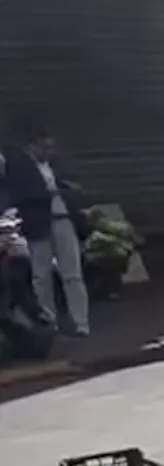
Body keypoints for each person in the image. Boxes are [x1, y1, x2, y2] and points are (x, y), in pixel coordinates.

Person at [0, 121, 89, 337]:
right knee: (41, 276)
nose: (48, 152)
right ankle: (50, 321)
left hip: (63, 219)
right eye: (43, 147)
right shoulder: (20, 167)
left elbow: (73, 184)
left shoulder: (56, 165)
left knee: (72, 274)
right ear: (32, 146)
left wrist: (65, 191)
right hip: (38, 224)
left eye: (50, 147)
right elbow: (20, 195)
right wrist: (48, 194)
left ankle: (81, 322)